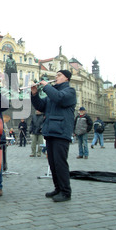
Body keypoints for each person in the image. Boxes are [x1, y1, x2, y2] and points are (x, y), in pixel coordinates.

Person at [31, 69, 76, 202]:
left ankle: (66, 191)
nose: (56, 77)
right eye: (56, 75)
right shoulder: (52, 93)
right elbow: (40, 106)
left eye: (59, 75)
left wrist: (46, 86)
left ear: (66, 78)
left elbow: (59, 98)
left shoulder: (70, 92)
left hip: (61, 132)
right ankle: (58, 188)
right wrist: (34, 94)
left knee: (60, 163)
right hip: (50, 131)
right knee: (53, 163)